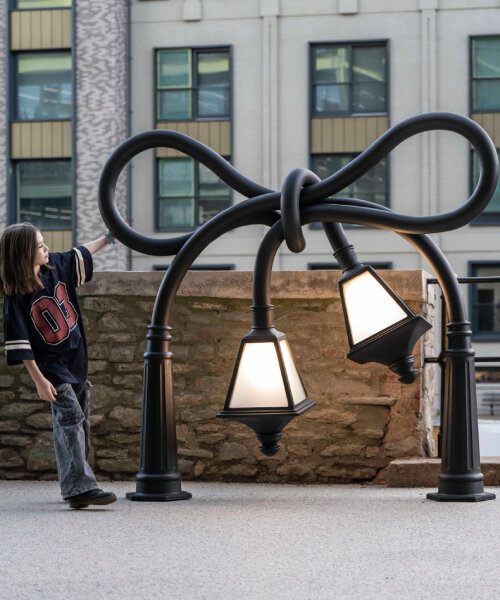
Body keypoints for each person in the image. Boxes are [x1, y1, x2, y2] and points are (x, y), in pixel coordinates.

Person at [0, 222, 118, 509]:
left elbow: (82, 252)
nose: (46, 249)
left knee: (81, 424)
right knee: (70, 420)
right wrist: (39, 379)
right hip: (51, 369)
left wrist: (110, 237)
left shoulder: (57, 267)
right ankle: (79, 488)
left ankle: (76, 486)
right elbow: (20, 343)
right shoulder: (16, 295)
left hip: (76, 358)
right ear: (25, 253)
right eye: (40, 246)